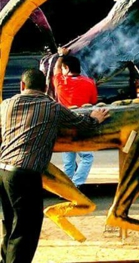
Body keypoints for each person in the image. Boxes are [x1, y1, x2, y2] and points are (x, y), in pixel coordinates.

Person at [0, 68, 109, 263]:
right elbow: (83, 125)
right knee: (25, 230)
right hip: (25, 174)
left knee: (9, 225)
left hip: (3, 171)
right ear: (46, 88)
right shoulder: (53, 108)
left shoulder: (6, 104)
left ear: (22, 86)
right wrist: (95, 118)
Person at [53, 47, 98, 189]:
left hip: (64, 125)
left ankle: (67, 187)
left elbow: (56, 70)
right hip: (82, 124)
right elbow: (93, 102)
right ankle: (75, 184)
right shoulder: (90, 82)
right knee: (87, 157)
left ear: (66, 68)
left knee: (69, 159)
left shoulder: (60, 82)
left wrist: (61, 55)